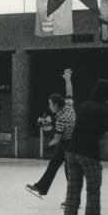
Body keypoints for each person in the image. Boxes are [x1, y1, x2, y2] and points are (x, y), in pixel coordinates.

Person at [61, 78, 108, 215]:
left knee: (72, 192)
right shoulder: (106, 110)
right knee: (93, 193)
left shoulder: (84, 106)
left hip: (71, 152)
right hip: (89, 155)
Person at [26, 68, 75, 199]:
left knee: (67, 171)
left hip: (68, 143)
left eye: (50, 104)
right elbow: (69, 91)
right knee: (56, 165)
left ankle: (72, 198)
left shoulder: (61, 118)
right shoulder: (69, 105)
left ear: (56, 105)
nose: (49, 107)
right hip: (72, 142)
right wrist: (68, 78)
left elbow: (57, 138)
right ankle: (41, 187)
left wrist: (48, 145)